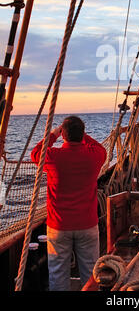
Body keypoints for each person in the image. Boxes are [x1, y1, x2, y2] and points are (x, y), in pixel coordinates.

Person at [31, 115, 107, 291]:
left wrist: (54, 135)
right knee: (90, 274)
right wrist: (82, 136)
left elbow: (35, 153)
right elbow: (100, 148)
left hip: (59, 226)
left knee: (58, 274)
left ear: (64, 135)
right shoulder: (94, 156)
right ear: (82, 134)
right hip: (87, 225)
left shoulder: (53, 157)